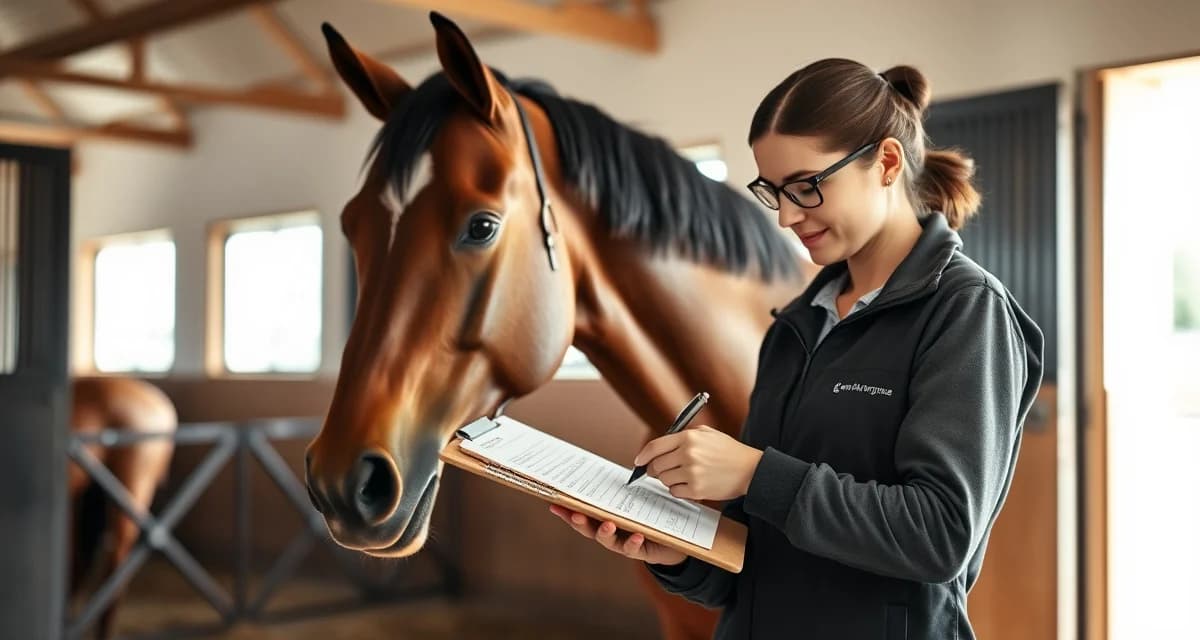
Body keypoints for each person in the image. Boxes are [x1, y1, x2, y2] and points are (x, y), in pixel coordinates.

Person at [550, 58, 1045, 639]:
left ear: (886, 162)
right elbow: (753, 562)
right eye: (773, 191)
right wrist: (672, 553)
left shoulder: (965, 310)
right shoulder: (797, 324)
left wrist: (756, 473)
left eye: (807, 186)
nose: (786, 216)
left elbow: (938, 536)